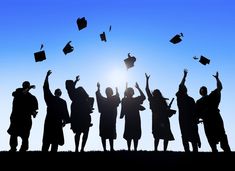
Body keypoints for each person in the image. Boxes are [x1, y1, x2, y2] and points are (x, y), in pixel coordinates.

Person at [195, 72, 231, 152]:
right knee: (211, 138)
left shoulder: (212, 96)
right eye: (202, 90)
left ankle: (226, 150)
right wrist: (197, 119)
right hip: (208, 121)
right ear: (200, 92)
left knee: (222, 135)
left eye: (204, 89)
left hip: (216, 119)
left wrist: (217, 78)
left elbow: (220, 87)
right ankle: (214, 150)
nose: (203, 90)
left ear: (206, 91)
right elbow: (196, 113)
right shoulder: (198, 102)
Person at [42, 70, 70, 152]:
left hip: (51, 121)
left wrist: (47, 77)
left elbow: (45, 88)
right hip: (55, 121)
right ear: (60, 93)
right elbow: (46, 88)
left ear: (55, 93)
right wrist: (64, 121)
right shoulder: (61, 101)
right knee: (54, 140)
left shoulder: (51, 98)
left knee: (49, 140)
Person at [145, 73, 174, 151]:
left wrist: (147, 80)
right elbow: (147, 90)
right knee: (165, 135)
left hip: (157, 120)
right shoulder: (160, 100)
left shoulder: (153, 100)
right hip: (163, 119)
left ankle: (156, 149)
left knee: (158, 135)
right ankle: (163, 150)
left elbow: (147, 90)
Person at [7, 81, 38, 152]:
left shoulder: (32, 97)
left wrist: (34, 113)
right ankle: (13, 148)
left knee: (25, 135)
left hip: (26, 118)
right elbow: (20, 94)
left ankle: (23, 149)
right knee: (14, 133)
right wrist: (29, 88)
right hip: (16, 117)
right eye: (26, 86)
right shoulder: (17, 92)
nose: (26, 87)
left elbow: (34, 109)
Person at [66, 75, 94, 152]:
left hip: (79, 111)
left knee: (79, 133)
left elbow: (71, 86)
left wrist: (75, 81)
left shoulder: (71, 91)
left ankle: (78, 149)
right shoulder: (77, 90)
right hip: (81, 111)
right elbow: (86, 97)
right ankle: (80, 148)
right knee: (83, 132)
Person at [176, 69, 201, 152]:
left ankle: (188, 151)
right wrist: (184, 76)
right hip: (188, 120)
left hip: (185, 119)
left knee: (185, 136)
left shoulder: (180, 98)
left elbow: (195, 111)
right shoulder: (189, 99)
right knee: (190, 136)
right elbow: (195, 111)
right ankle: (193, 151)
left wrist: (184, 76)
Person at [120, 82, 146, 151]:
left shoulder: (133, 100)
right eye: (129, 91)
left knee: (135, 135)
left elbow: (143, 97)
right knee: (130, 134)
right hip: (129, 119)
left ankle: (135, 149)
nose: (130, 93)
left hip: (135, 119)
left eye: (131, 91)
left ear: (133, 93)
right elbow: (122, 108)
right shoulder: (125, 100)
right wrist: (122, 114)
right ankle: (129, 149)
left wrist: (138, 88)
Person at [96, 82, 121, 151]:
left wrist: (117, 91)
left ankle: (111, 148)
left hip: (109, 118)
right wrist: (98, 88)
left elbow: (98, 95)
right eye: (108, 91)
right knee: (105, 134)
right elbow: (98, 95)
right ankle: (105, 148)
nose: (108, 92)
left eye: (109, 91)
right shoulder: (107, 99)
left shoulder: (111, 99)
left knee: (110, 133)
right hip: (106, 118)